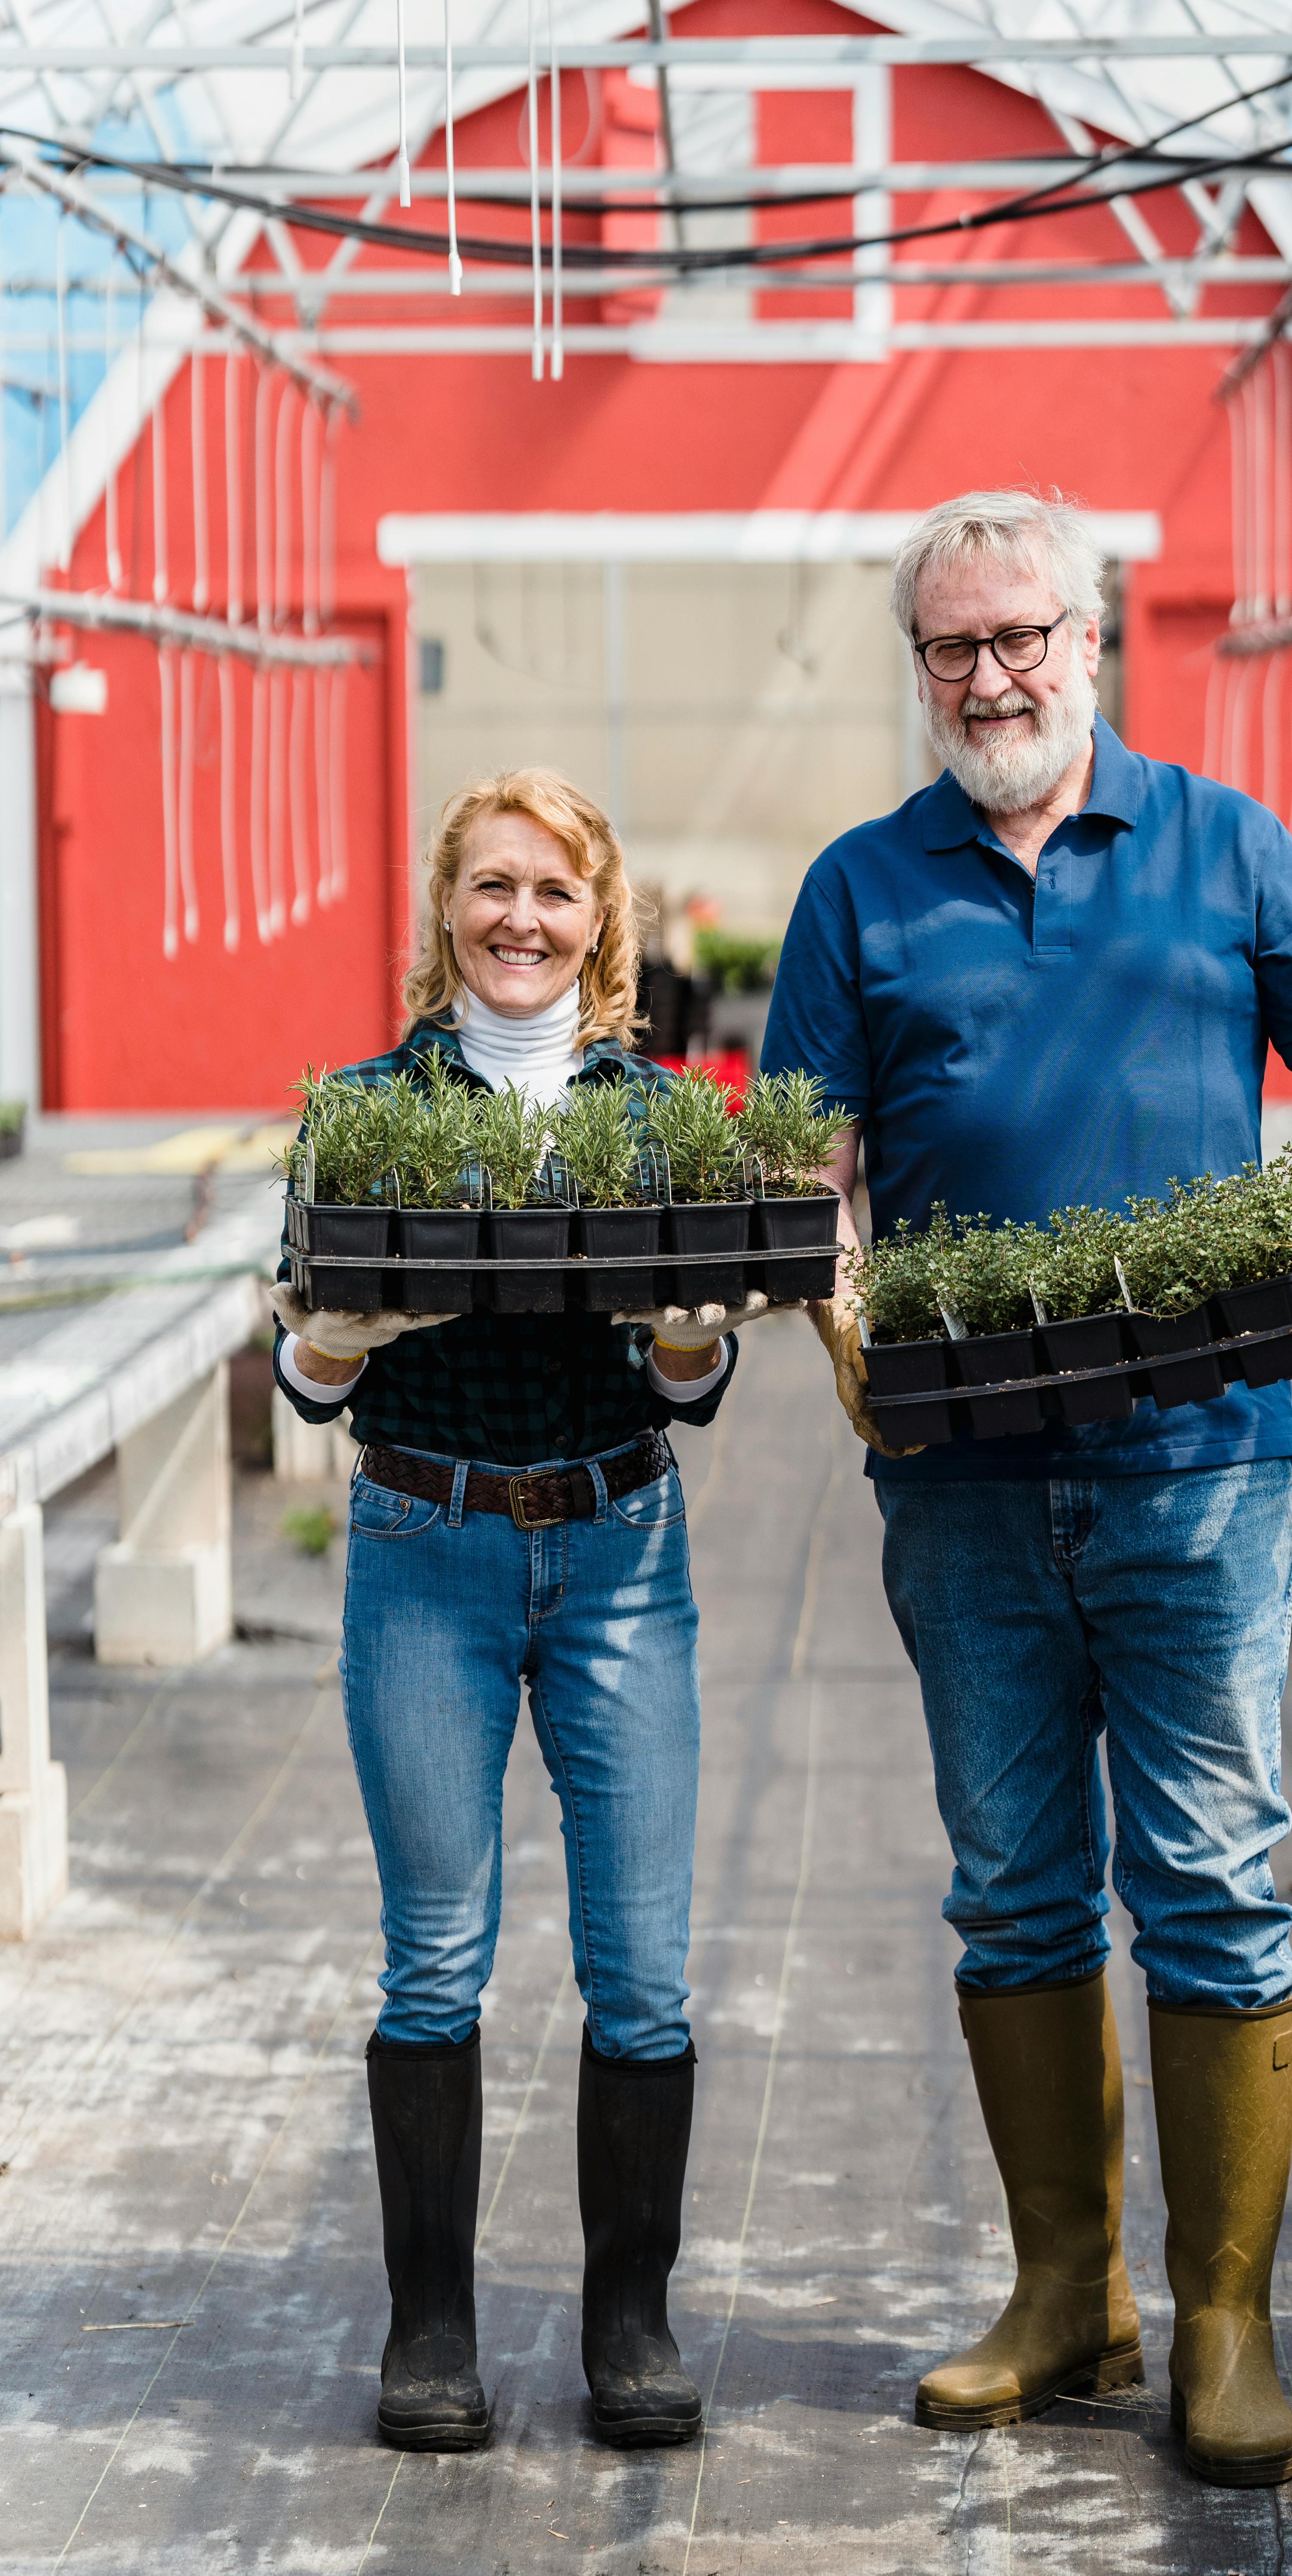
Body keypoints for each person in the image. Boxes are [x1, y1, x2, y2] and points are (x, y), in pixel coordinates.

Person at [760, 491, 1292, 2488]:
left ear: (1093, 642)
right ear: (918, 667)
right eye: (950, 648)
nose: (988, 676)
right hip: (963, 1483)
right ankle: (1065, 2296)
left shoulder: (1225, 845)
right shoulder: (858, 888)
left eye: (1021, 638)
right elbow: (805, 1164)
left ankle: (1225, 2324)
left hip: (1202, 1473)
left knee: (1211, 1886)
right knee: (1011, 1889)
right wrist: (828, 1301)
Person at [272, 768, 771, 2454]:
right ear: (446, 913)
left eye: (552, 892)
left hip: (623, 1561)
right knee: (434, 1962)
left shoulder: (663, 1126)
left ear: (600, 921)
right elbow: (306, 1364)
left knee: (640, 1973)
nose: (519, 920)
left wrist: (694, 1337)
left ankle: (630, 2322)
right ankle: (430, 2333)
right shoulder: (357, 1110)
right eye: (489, 888)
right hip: (427, 1550)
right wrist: (335, 1344)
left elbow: (686, 1378)